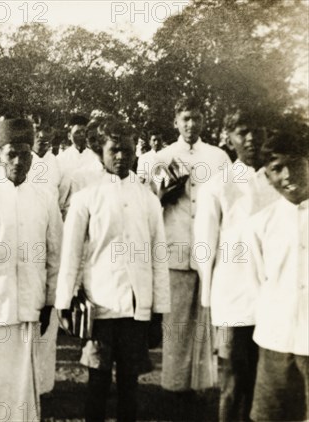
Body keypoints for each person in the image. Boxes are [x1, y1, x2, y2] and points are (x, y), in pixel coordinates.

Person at [55, 122, 170, 422]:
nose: (121, 156)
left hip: (136, 309)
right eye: (113, 149)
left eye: (127, 150)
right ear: (100, 152)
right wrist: (64, 302)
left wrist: (158, 310)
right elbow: (71, 254)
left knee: (130, 385)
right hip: (100, 307)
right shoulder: (86, 198)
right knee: (98, 383)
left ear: (136, 152)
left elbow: (159, 257)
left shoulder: (148, 199)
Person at [0, 118, 62, 422]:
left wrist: (49, 302)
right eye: (11, 154)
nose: (18, 161)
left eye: (24, 154)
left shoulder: (45, 199)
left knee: (25, 380)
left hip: (31, 304)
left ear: (33, 157)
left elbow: (55, 255)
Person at [194, 109, 279, 422]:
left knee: (265, 383)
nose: (251, 138)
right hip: (233, 298)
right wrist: (209, 299)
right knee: (234, 379)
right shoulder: (217, 186)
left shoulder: (278, 181)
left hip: (273, 297)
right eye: (243, 131)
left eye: (257, 129)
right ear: (228, 138)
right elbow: (204, 247)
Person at [151, 97, 231, 395]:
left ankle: (201, 384)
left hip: (209, 249)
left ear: (203, 121)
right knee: (177, 323)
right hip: (176, 246)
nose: (190, 124)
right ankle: (173, 385)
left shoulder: (219, 157)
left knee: (205, 320)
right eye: (185, 118)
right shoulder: (163, 156)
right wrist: (164, 192)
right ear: (176, 121)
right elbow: (152, 204)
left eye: (196, 118)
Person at [245, 129, 308, 422]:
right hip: (275, 341)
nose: (287, 175)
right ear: (267, 177)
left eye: (294, 163)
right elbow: (259, 282)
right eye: (276, 169)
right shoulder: (261, 224)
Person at [57, 115, 101, 217]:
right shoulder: (61, 159)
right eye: (77, 132)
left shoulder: (96, 157)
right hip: (67, 213)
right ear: (69, 136)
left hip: (91, 212)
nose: (81, 135)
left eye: (84, 132)